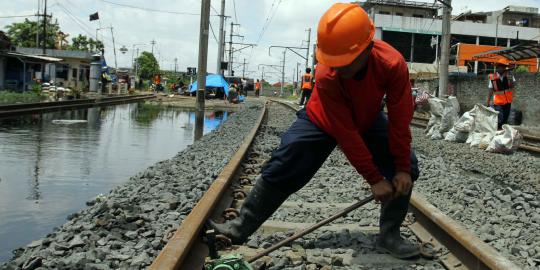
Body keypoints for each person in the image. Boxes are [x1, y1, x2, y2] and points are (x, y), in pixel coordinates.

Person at [210, 3, 420, 259]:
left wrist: (400, 169)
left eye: (344, 62)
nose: (337, 67)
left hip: (367, 117)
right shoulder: (326, 74)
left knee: (408, 164)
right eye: (333, 61)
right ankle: (238, 228)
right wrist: (374, 179)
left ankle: (390, 235)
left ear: (366, 47)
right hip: (322, 117)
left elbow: (400, 120)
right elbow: (344, 133)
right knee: (288, 158)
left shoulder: (392, 64)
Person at [487, 61, 515, 129]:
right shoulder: (492, 77)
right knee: (500, 117)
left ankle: (502, 131)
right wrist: (488, 101)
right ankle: (497, 129)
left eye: (502, 67)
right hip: (498, 102)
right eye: (499, 67)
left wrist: (510, 78)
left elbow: (512, 86)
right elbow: (490, 90)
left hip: (507, 101)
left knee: (505, 118)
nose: (501, 69)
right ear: (497, 68)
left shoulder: (509, 75)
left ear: (504, 68)